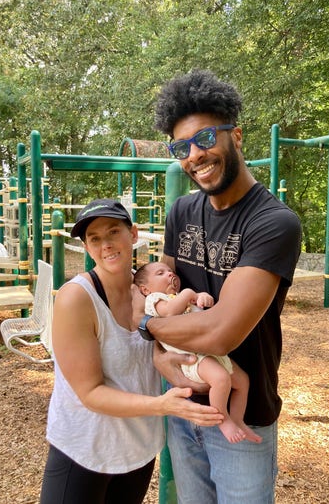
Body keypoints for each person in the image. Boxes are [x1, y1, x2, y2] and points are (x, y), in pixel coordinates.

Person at [135, 69, 302, 503]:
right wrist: (161, 360)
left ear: (236, 136)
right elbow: (163, 291)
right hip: (184, 401)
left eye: (205, 138)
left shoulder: (273, 223)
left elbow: (220, 332)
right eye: (181, 147)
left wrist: (148, 331)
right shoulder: (181, 212)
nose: (194, 155)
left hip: (242, 410)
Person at [40, 198, 223, 504]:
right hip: (85, 449)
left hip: (137, 450)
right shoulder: (77, 299)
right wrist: (163, 405)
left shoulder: (151, 293)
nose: (106, 245)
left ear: (133, 235)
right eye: (94, 239)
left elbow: (157, 347)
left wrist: (166, 361)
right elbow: (91, 393)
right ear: (87, 248)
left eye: (113, 232)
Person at [133, 261, 262, 444]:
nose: (169, 274)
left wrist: (200, 297)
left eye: (170, 271)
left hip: (209, 351)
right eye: (160, 273)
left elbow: (197, 312)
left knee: (242, 381)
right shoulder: (155, 300)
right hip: (193, 358)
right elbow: (170, 313)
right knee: (221, 379)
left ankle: (238, 418)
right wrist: (188, 293)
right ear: (145, 289)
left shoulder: (178, 297)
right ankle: (223, 419)